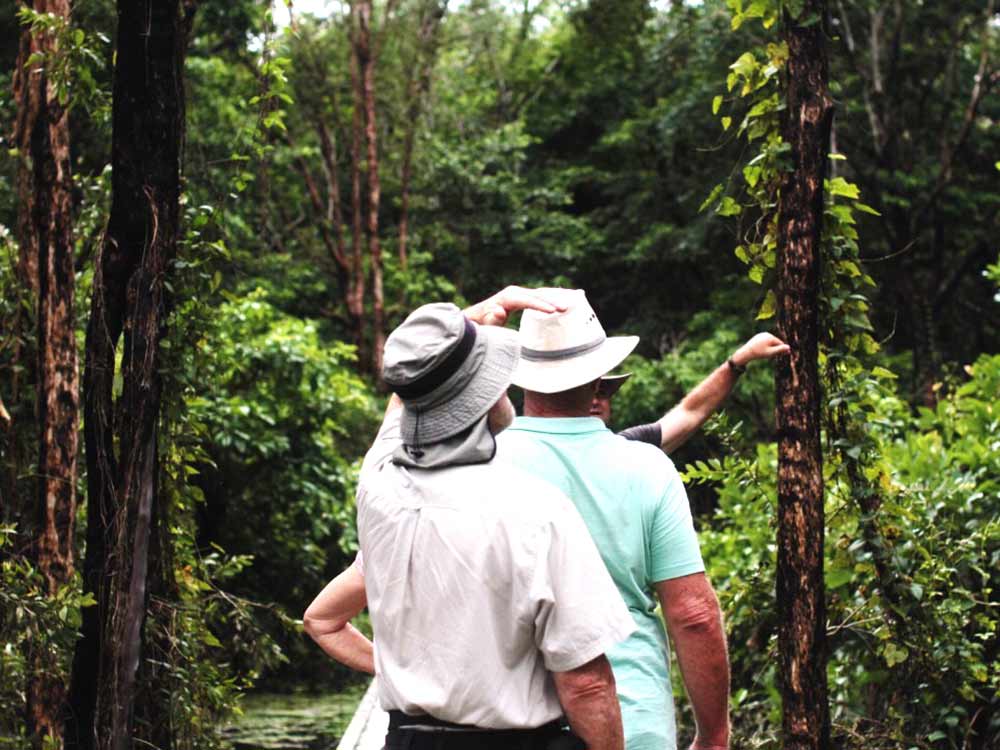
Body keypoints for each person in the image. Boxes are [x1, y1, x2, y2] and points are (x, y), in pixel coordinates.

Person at [303, 287, 638, 750]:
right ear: (481, 396)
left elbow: (404, 393)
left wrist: (469, 323)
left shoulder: (378, 487)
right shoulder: (537, 511)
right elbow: (586, 685)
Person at [497, 288, 730, 750]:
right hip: (632, 720)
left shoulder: (481, 466)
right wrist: (713, 735)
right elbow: (693, 615)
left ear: (521, 378)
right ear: (598, 378)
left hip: (511, 727)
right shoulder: (647, 468)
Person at [592, 333, 790, 453]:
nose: (594, 401)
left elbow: (690, 412)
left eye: (601, 392)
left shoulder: (629, 447)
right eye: (583, 391)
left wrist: (740, 360)